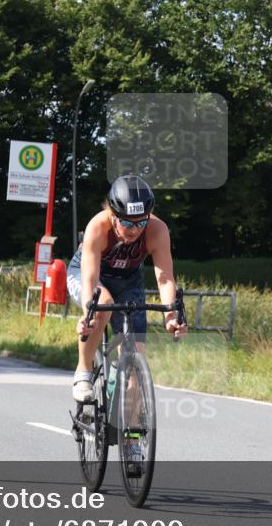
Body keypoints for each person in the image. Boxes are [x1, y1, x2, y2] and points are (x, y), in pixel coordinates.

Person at [67, 175, 187, 408]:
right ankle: (84, 370)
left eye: (141, 222)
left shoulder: (157, 230)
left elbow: (164, 278)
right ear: (113, 216)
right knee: (102, 305)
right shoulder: (98, 227)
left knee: (135, 358)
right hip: (90, 275)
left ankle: (131, 439)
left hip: (128, 280)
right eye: (128, 223)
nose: (134, 230)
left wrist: (171, 317)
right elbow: (90, 278)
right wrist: (87, 314)